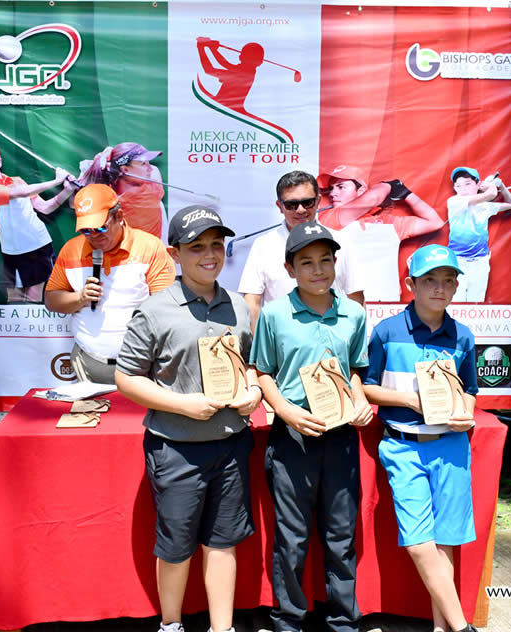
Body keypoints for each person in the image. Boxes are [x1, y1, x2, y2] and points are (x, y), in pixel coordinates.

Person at [115, 205, 262, 632]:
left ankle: (222, 627)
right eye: (196, 247)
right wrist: (182, 405)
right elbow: (127, 377)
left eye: (216, 245)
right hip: (176, 448)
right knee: (176, 547)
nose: (209, 255)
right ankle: (171, 624)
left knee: (223, 542)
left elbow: (251, 364)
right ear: (175, 254)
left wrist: (253, 391)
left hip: (231, 446)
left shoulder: (238, 307)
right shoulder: (155, 310)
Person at [249, 221, 374, 632]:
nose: (318, 270)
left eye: (325, 260)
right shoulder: (274, 314)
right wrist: (285, 410)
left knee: (341, 535)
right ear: (290, 269)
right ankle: (288, 620)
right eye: (306, 263)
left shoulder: (354, 313)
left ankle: (343, 621)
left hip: (341, 438)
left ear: (336, 263)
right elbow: (263, 371)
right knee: (292, 536)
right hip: (293, 438)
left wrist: (358, 400)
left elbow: (356, 369)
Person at [361, 244, 479, 632]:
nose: (439, 288)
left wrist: (465, 411)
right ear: (410, 284)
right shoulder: (386, 331)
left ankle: (442, 628)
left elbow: (469, 389)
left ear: (457, 286)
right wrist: (409, 401)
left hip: (450, 445)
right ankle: (462, 627)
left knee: (445, 541)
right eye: (429, 280)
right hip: (403, 446)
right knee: (417, 541)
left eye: (448, 280)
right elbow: (368, 387)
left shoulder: (462, 337)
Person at [44, 183, 175, 384]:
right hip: (87, 364)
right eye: (86, 231)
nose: (94, 236)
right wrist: (80, 297)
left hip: (141, 366)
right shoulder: (71, 250)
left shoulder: (149, 247)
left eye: (100, 228)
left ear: (119, 216)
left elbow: (167, 307)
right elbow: (51, 300)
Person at [238, 171, 364, 332]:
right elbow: (252, 302)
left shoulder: (341, 241)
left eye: (307, 202)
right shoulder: (263, 245)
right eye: (291, 205)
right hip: (281, 342)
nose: (300, 210)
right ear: (280, 207)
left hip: (333, 339)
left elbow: (356, 299)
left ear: (318, 201)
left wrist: (356, 343)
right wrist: (259, 345)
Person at [317, 165, 444, 303]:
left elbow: (435, 222)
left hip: (387, 304)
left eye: (341, 187)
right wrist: (389, 185)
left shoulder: (388, 223)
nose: (333, 193)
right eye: (331, 188)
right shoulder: (329, 218)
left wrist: (406, 194)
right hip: (347, 305)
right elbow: (373, 198)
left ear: (361, 191)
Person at [0, 140, 75, 303]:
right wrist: (56, 181)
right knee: (14, 300)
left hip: (38, 245)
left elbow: (44, 208)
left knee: (33, 298)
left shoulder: (17, 180)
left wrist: (67, 190)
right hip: (11, 251)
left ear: (0, 161)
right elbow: (21, 192)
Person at [446, 167, 511, 302]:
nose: (463, 189)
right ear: (454, 188)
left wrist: (501, 186)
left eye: (468, 184)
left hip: (480, 262)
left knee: (476, 304)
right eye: (458, 186)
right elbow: (491, 194)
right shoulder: (454, 202)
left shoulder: (485, 206)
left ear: (478, 185)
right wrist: (491, 186)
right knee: (456, 305)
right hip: (457, 262)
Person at [77, 142, 167, 239]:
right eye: (143, 164)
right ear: (125, 170)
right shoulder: (153, 189)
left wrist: (102, 160)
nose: (150, 168)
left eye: (148, 163)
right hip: (149, 247)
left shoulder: (105, 198)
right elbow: (155, 170)